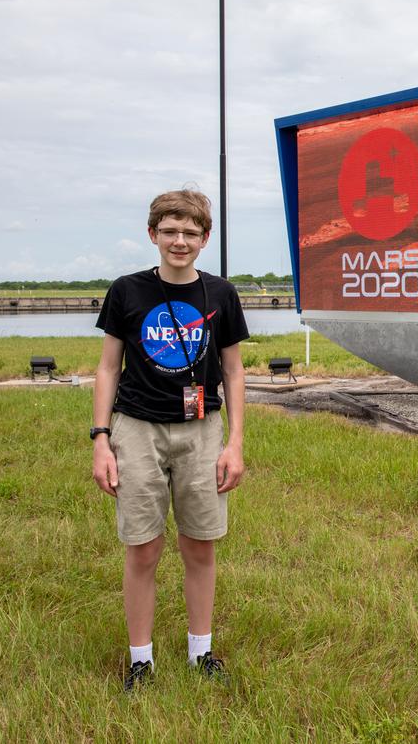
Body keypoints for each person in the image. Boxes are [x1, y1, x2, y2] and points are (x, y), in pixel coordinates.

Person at [90, 189, 249, 691]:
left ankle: (200, 652)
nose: (179, 241)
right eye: (169, 230)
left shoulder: (220, 295)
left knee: (200, 545)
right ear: (152, 234)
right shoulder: (127, 291)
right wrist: (100, 439)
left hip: (203, 431)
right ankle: (142, 660)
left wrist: (235, 443)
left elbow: (234, 371)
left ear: (205, 238)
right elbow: (107, 366)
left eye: (190, 232)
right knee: (143, 547)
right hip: (137, 429)